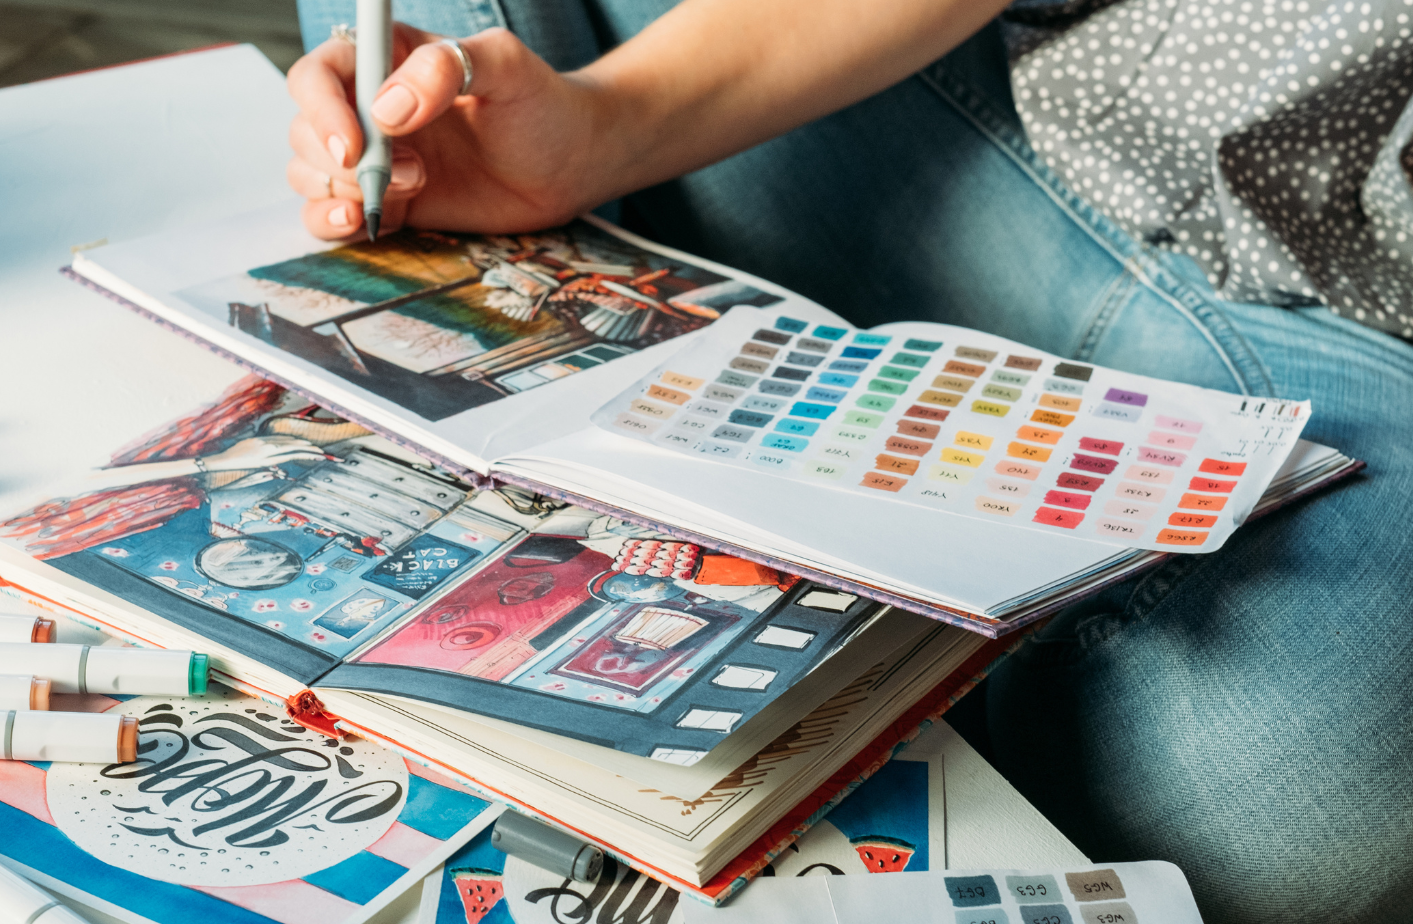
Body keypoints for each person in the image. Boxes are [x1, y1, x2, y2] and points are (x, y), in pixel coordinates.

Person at [282, 1, 1413, 920]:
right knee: (442, 69)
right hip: (997, 93)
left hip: (1357, 315)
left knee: (1297, 791)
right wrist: (601, 127)